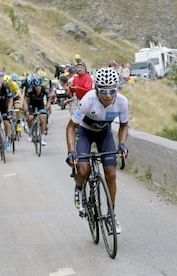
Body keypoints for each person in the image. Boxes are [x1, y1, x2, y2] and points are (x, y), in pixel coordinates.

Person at [65, 67, 129, 234]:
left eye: (112, 90)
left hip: (104, 134)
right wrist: (71, 151)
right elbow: (71, 127)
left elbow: (124, 125)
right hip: (84, 132)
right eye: (103, 91)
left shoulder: (122, 102)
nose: (108, 95)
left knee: (111, 173)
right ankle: (79, 187)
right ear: (96, 89)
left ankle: (111, 214)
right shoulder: (88, 100)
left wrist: (122, 144)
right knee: (83, 168)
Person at [23, 75, 50, 146]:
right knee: (30, 118)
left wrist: (47, 107)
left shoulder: (44, 89)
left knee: (42, 119)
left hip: (40, 104)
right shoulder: (30, 89)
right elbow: (25, 99)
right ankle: (30, 131)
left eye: (39, 86)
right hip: (32, 104)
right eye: (36, 87)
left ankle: (42, 138)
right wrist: (26, 109)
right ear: (33, 86)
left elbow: (49, 99)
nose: (38, 88)